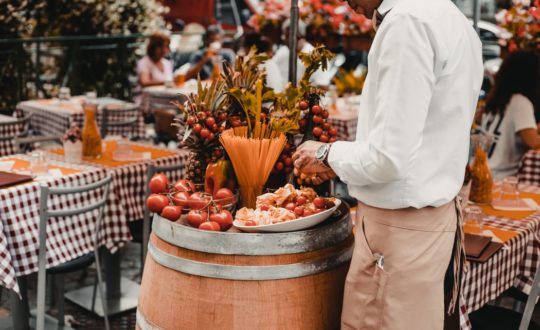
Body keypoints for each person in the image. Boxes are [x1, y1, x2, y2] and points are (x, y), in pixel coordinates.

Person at [292, 0, 483, 329]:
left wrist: (326, 154)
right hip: (428, 225)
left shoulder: (408, 22)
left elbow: (388, 158)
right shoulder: (453, 18)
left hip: (399, 233)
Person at [480, 51, 540, 180]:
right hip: (500, 180)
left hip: (481, 173)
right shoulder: (520, 102)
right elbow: (533, 142)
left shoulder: (496, 98)